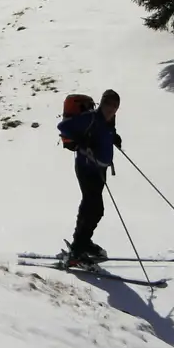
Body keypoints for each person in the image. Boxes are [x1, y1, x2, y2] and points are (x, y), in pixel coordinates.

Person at [57, 89, 122, 264]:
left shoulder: (109, 121)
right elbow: (63, 127)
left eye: (115, 106)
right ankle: (79, 247)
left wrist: (113, 137)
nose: (111, 109)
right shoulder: (91, 117)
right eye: (108, 104)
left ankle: (82, 242)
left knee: (91, 207)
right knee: (94, 207)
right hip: (86, 168)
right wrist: (80, 141)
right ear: (102, 104)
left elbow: (101, 134)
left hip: (100, 170)